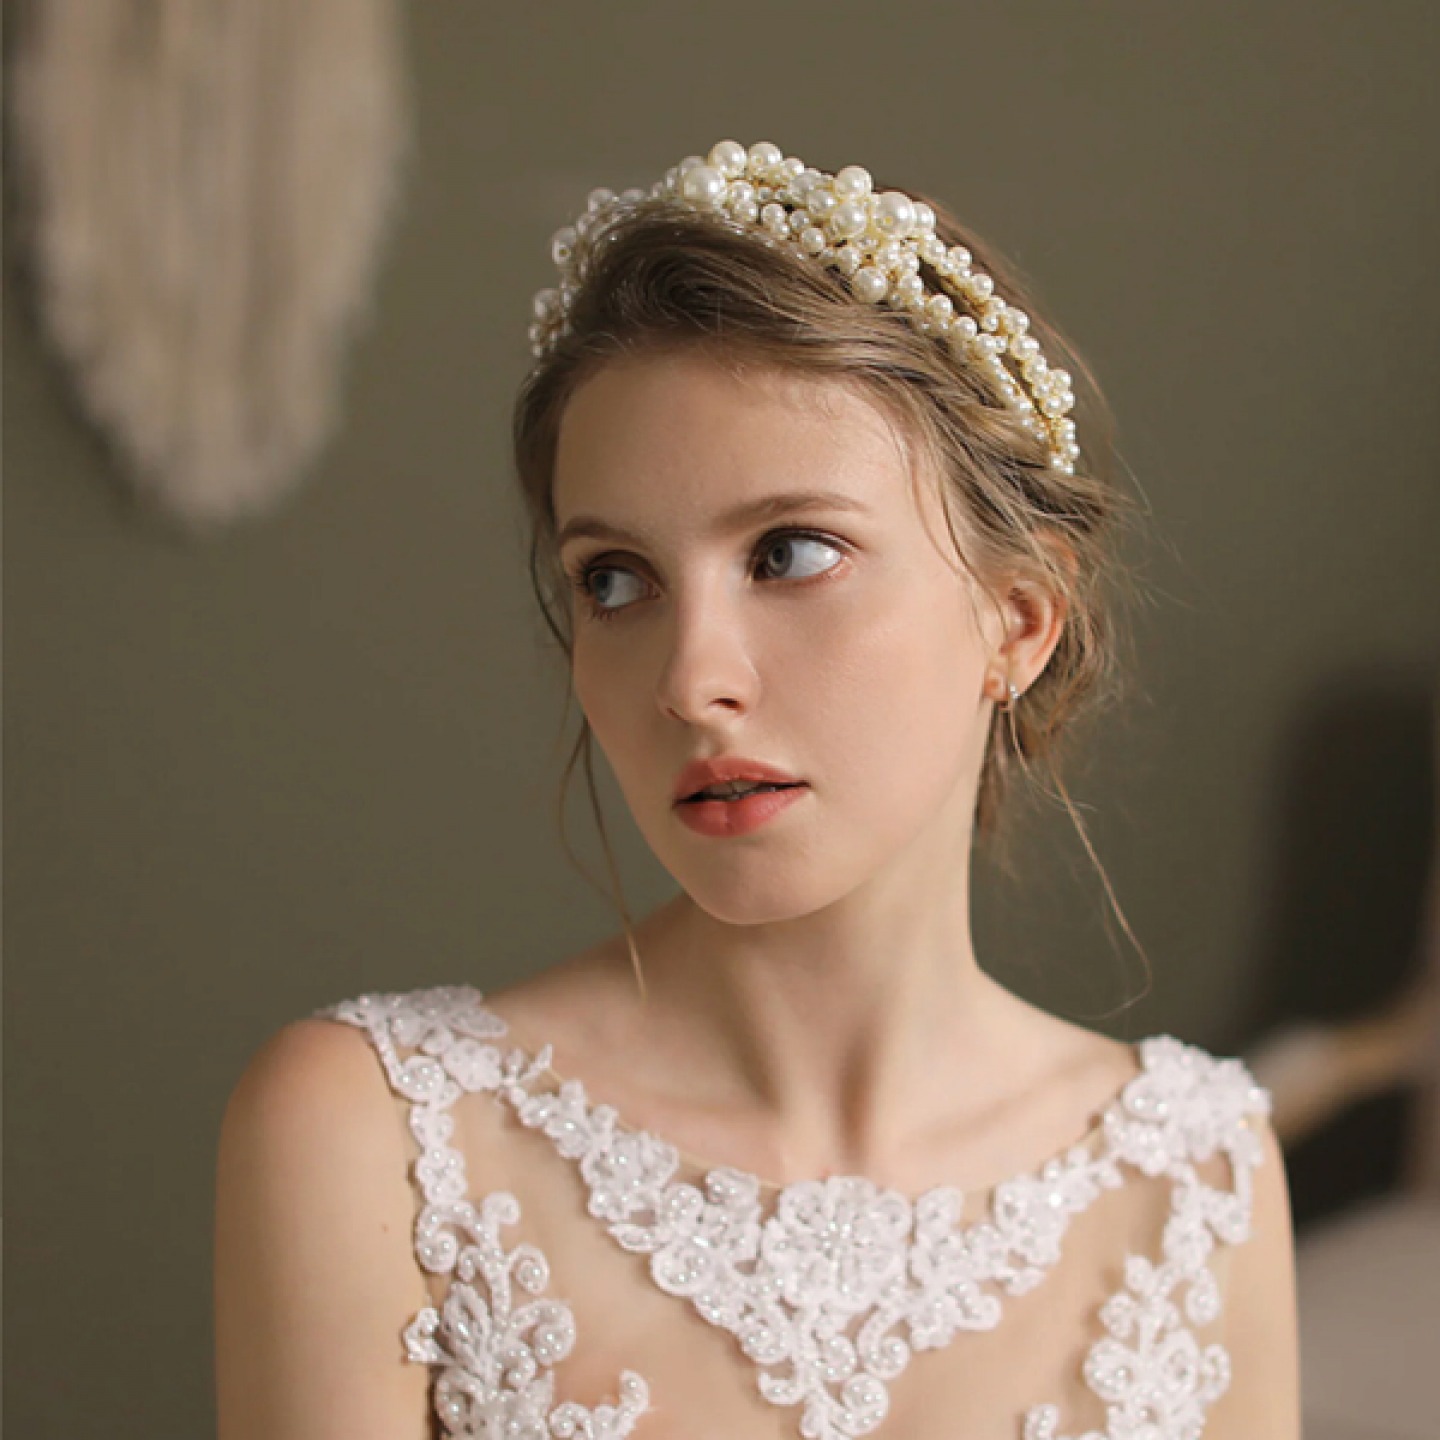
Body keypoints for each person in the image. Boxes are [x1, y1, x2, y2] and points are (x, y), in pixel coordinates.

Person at [214, 140, 1302, 1439]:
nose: (689, 679)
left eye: (791, 554)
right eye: (616, 579)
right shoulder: (380, 1138)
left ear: (1019, 619)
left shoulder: (1193, 1177)